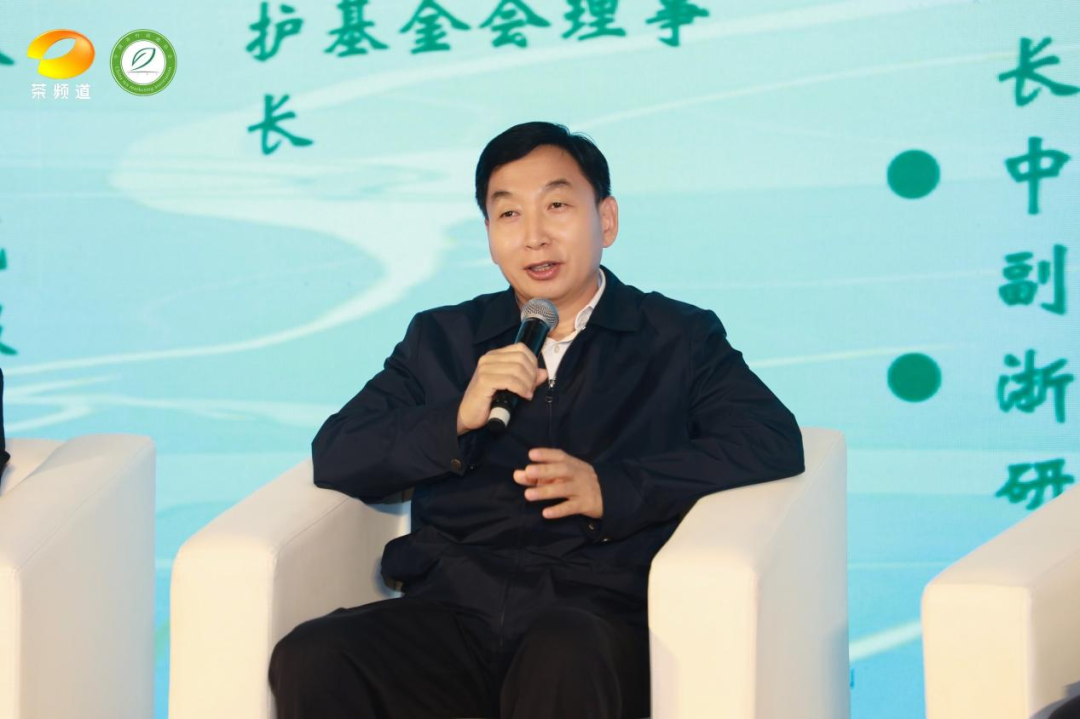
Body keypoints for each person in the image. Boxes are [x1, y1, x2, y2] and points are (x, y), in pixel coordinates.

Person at [269, 121, 805, 719]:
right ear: (489, 235)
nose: (534, 237)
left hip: (595, 614)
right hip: (452, 611)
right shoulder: (443, 338)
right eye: (509, 214)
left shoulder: (676, 336)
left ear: (606, 220)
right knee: (316, 654)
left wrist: (614, 489)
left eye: (556, 206)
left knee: (563, 652)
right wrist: (456, 417)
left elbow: (769, 439)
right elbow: (338, 452)